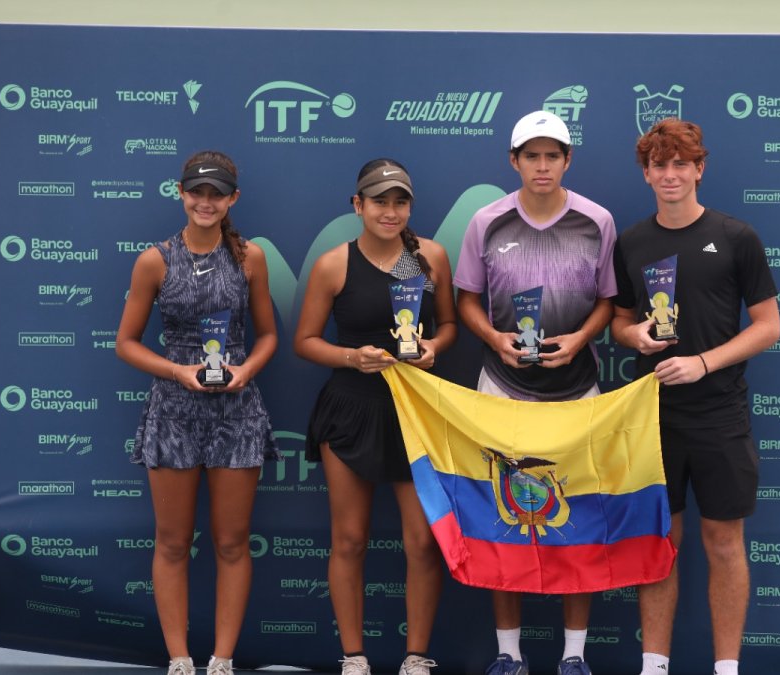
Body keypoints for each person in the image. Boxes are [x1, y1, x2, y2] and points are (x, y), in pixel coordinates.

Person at [610, 119, 780, 675]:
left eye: (680, 164)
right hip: (653, 417)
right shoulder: (631, 242)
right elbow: (619, 321)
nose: (670, 175)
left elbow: (768, 326)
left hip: (720, 415)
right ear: (646, 173)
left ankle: (726, 669)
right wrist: (634, 336)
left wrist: (704, 362)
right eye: (659, 165)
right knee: (660, 541)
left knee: (724, 543)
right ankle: (654, 666)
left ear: (699, 169)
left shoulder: (736, 237)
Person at [454, 110, 617, 675]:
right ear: (514, 161)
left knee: (580, 519)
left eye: (552, 155)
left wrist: (581, 338)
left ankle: (574, 656)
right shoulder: (487, 221)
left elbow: (609, 302)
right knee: (505, 520)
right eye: (532, 156)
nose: (542, 165)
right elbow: (467, 300)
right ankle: (509, 654)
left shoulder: (597, 221)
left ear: (567, 160)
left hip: (577, 389)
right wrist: (493, 338)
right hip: (503, 389)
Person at [116, 150, 279, 675]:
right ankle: (181, 660)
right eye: (197, 192)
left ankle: (223, 661)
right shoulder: (155, 260)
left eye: (217, 193)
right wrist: (176, 371)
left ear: (233, 199)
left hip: (237, 410)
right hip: (174, 410)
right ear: (181, 193)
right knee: (171, 542)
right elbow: (126, 343)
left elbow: (268, 335)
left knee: (231, 542)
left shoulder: (251, 258)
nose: (205, 202)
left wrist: (247, 370)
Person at [294, 159, 456, 675]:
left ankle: (416, 657)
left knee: (423, 542)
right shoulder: (333, 265)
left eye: (400, 202)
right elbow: (305, 341)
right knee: (349, 539)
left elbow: (449, 325)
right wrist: (351, 357)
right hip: (350, 410)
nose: (390, 212)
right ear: (357, 205)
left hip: (416, 411)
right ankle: (354, 657)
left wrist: (434, 347)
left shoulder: (428, 257)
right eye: (379, 201)